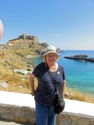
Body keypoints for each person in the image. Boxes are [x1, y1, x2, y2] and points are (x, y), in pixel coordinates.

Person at [29, 45, 66, 125]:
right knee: (41, 123)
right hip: (41, 102)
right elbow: (31, 78)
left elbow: (63, 81)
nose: (51, 58)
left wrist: (62, 96)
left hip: (55, 102)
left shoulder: (61, 68)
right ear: (45, 57)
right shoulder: (40, 67)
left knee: (51, 123)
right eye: (49, 56)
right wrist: (32, 91)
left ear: (56, 57)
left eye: (53, 55)